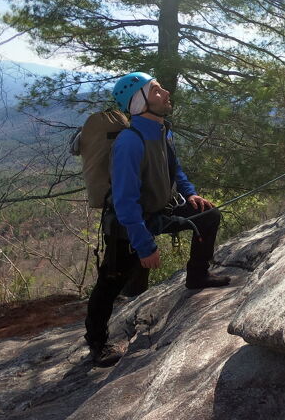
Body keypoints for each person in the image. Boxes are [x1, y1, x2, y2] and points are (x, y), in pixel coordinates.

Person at [84, 72, 231, 367]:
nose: (165, 93)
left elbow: (175, 170)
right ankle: (97, 342)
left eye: (162, 88)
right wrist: (144, 244)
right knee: (111, 282)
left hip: (160, 208)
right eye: (156, 90)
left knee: (208, 215)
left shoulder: (162, 131)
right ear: (139, 102)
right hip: (130, 223)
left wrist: (190, 194)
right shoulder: (130, 141)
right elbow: (126, 202)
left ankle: (197, 274)